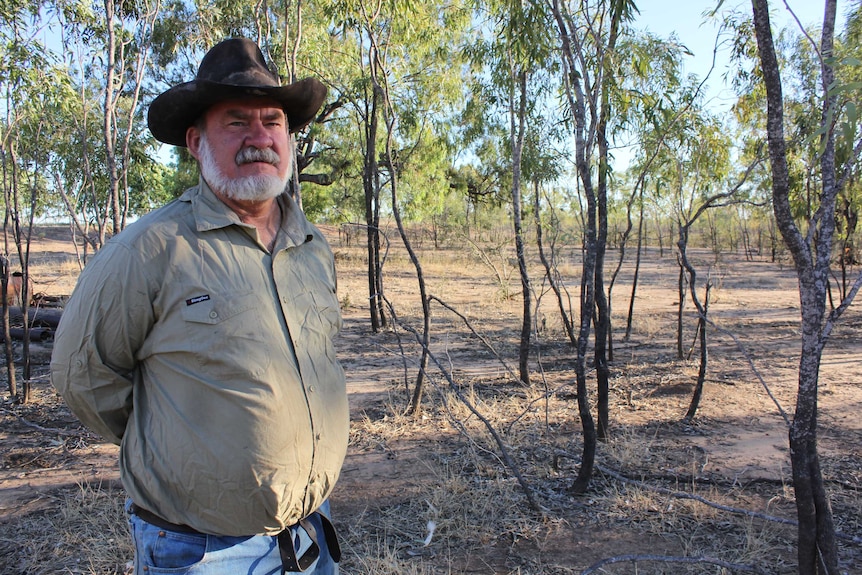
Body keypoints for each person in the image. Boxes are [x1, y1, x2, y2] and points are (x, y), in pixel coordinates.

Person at [50, 37, 348, 574]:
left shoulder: (311, 246)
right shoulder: (150, 249)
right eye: (236, 122)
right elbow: (84, 377)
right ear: (195, 141)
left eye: (272, 121)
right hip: (200, 552)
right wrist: (180, 436)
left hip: (309, 535)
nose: (259, 138)